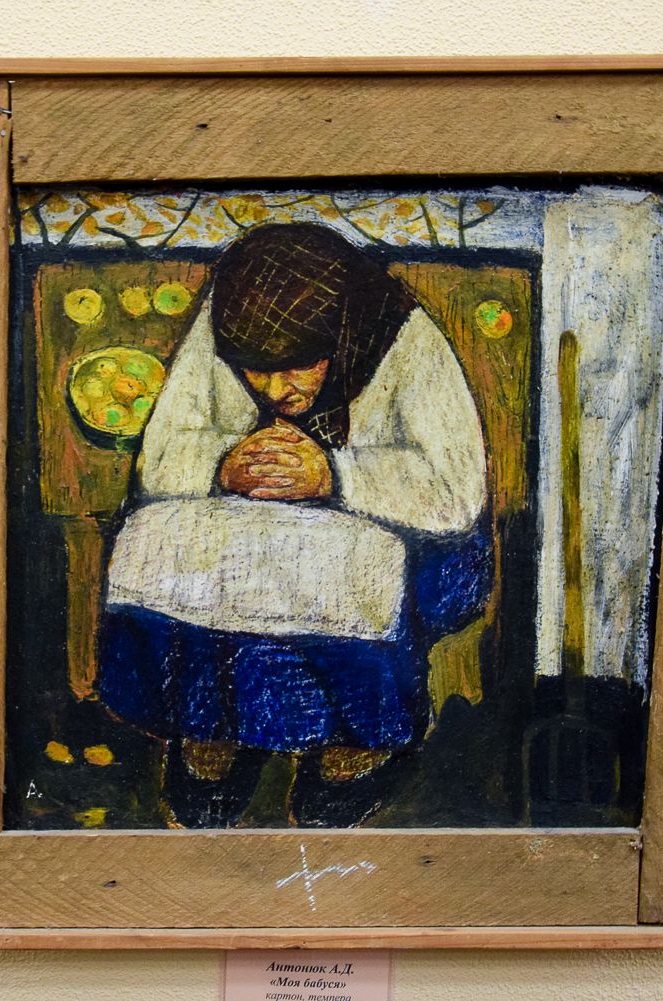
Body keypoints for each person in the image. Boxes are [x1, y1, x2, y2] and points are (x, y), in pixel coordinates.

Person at [97, 223, 491, 828]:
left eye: (296, 368)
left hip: (401, 537)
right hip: (260, 530)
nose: (274, 391)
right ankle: (211, 731)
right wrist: (222, 462)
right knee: (167, 543)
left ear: (339, 335)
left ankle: (356, 746)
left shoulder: (404, 339)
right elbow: (163, 455)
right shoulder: (228, 321)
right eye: (255, 372)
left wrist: (334, 474)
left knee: (352, 578)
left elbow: (455, 492)